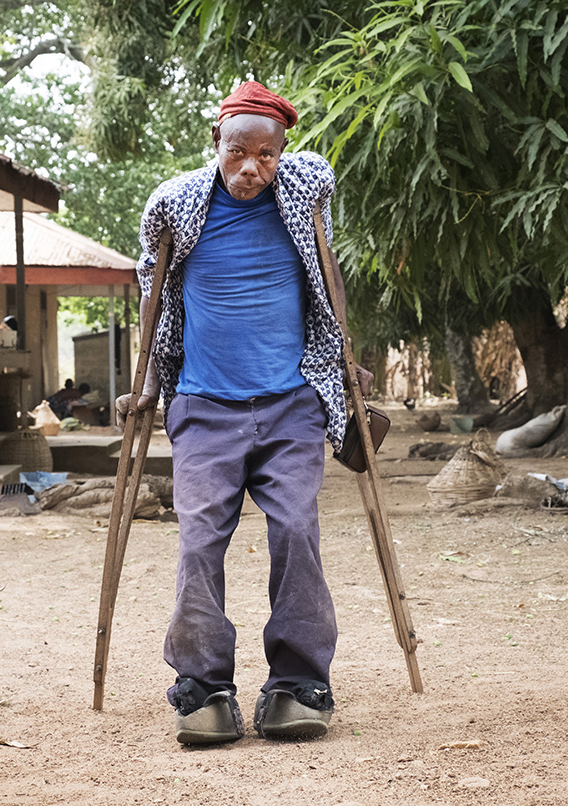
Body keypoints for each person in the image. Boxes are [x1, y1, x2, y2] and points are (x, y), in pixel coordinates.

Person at [118, 81, 372, 745]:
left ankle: (298, 682)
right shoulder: (176, 206)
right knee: (200, 539)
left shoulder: (302, 198)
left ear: (281, 155)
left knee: (295, 530)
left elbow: (329, 278)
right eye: (238, 152)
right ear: (217, 145)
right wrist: (146, 381)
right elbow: (151, 288)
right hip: (204, 407)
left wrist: (346, 359)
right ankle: (203, 688)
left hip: (292, 405)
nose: (251, 168)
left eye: (266, 154)